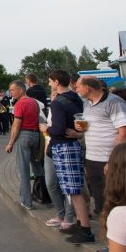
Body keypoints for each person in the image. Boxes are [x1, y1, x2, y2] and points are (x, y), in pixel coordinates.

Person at [74, 76, 126, 218]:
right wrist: (80, 129)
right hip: (92, 157)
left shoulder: (114, 102)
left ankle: (119, 234)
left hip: (109, 160)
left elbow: (124, 134)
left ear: (88, 88)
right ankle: (107, 233)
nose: (76, 89)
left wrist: (112, 161)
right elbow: (93, 127)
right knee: (100, 201)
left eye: (78, 87)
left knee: (114, 200)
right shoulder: (87, 103)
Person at [46, 71, 90, 240]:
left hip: (63, 147)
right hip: (74, 144)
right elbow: (81, 123)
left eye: (50, 81)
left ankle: (84, 229)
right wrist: (79, 134)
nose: (49, 84)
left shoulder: (58, 103)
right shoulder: (77, 98)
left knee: (73, 190)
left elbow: (57, 129)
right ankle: (80, 224)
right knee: (74, 190)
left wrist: (46, 129)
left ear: (57, 82)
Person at [5, 81, 43, 211]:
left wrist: (10, 142)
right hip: (36, 135)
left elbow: (16, 124)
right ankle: (43, 196)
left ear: (21, 90)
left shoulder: (20, 103)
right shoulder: (34, 102)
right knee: (38, 167)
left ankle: (27, 201)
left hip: (24, 135)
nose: (10, 92)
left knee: (24, 169)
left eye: (12, 90)